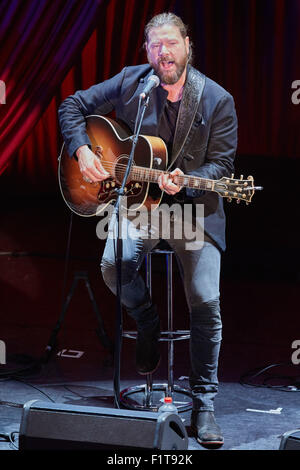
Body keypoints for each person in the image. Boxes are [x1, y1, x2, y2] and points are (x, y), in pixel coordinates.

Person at [58, 12, 238, 448]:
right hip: (140, 206)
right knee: (114, 265)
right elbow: (73, 105)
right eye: (156, 46)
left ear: (187, 45)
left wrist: (184, 180)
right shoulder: (133, 83)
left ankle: (204, 402)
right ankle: (147, 318)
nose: (164, 53)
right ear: (147, 52)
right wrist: (82, 150)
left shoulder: (217, 99)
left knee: (206, 301)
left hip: (193, 211)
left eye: (171, 43)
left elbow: (223, 167)